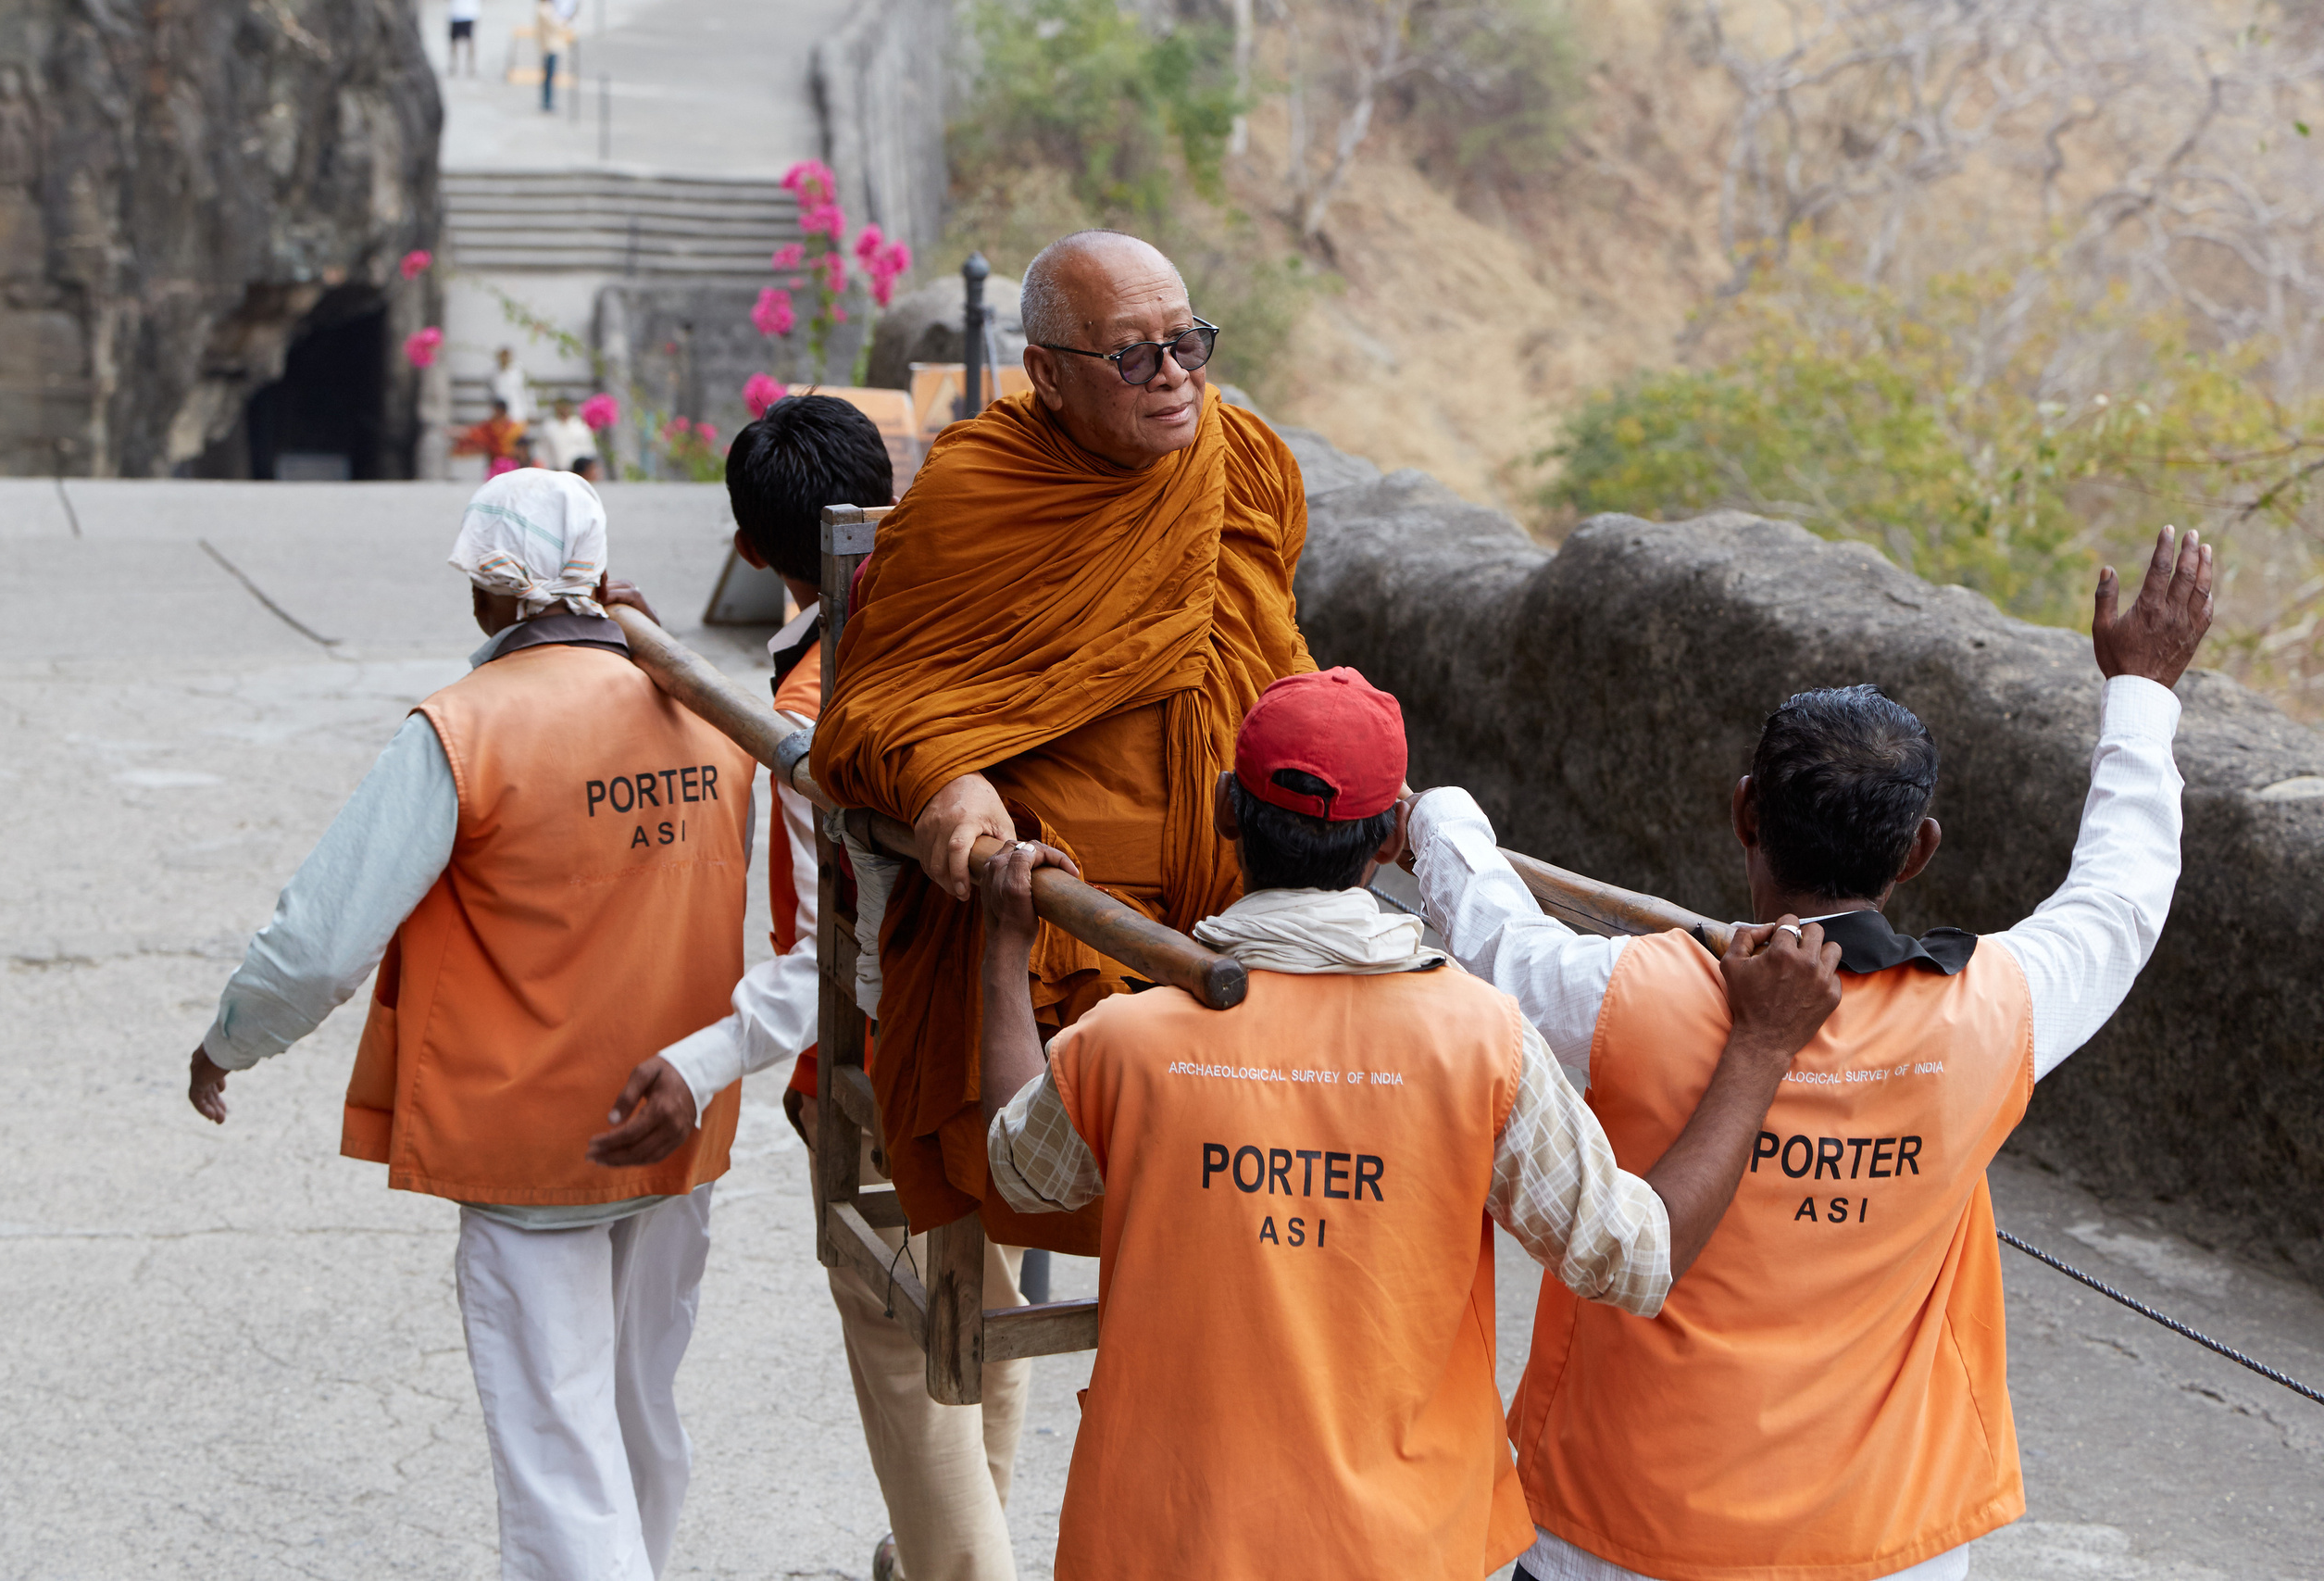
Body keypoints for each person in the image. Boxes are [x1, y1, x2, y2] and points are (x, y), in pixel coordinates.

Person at [1399, 524, 2216, 1581]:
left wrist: (1439, 817)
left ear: (1744, 813)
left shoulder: (1629, 997)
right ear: (1918, 851)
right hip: (1882, 1542)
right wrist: (2141, 690)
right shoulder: (1990, 1015)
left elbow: (1493, 938)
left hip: (1620, 1529)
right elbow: (2122, 893)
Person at [976, 668, 1845, 1579]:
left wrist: (1004, 947)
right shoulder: (1481, 1043)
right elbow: (1633, 1260)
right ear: (1390, 836)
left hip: (1158, 1542)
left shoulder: (1127, 1040)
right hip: (1402, 1549)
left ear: (1229, 810)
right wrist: (1758, 1050)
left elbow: (1018, 1170)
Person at [185, 470, 759, 1581]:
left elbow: (318, 941)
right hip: (683, 1118)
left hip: (531, 1140)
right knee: (641, 1416)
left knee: (557, 1449)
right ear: (596, 568)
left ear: (490, 593)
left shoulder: (465, 729)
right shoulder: (708, 705)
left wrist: (229, 1042)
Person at [808, 230, 1315, 1263]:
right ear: (1044, 373)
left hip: (1254, 886)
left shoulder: (1244, 461)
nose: (1173, 378)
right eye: (1132, 356)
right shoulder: (975, 495)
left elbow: (1275, 660)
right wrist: (946, 775)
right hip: (1063, 918)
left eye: (1188, 342)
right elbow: (865, 708)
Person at [592, 395, 1030, 1581]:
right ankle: (939, 1556)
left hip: (891, 1070)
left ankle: (963, 1572)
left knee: (904, 1350)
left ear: (749, 552)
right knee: (986, 1324)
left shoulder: (811, 721)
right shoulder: (973, 641)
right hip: (1020, 1052)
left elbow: (833, 959)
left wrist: (701, 1061)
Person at [455, 398, 526, 471]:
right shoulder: (490, 426)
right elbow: (478, 435)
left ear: (501, 411)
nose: (494, 413)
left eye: (495, 410)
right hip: (494, 464)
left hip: (512, 465)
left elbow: (521, 448)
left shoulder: (515, 427)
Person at [533, 395, 596, 473]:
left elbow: (589, 449)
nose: (563, 409)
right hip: (557, 471)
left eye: (566, 406)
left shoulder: (580, 425)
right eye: (561, 406)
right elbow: (542, 451)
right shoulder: (549, 427)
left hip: (579, 472)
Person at [537, 0, 577, 112]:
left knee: (550, 75)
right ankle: (547, 102)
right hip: (550, 46)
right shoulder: (545, 9)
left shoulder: (546, 8)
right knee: (549, 76)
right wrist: (566, 21)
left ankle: (548, 101)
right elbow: (555, 25)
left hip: (548, 45)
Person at [491, 346, 534, 427]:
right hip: (500, 415)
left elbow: (527, 392)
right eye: (502, 356)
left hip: (517, 413)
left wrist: (531, 412)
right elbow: (491, 395)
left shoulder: (518, 372)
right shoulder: (494, 374)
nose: (504, 359)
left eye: (506, 356)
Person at [447, 0, 479, 75]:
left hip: (469, 13)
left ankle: (471, 68)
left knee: (469, 43)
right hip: (456, 13)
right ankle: (454, 67)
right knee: (455, 44)